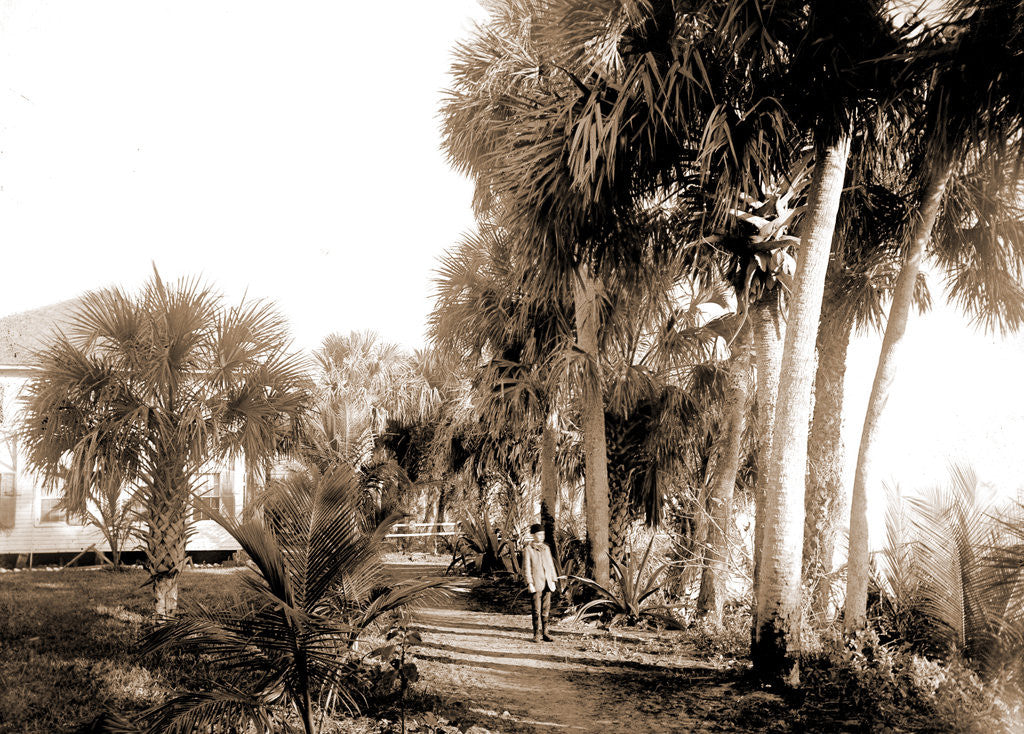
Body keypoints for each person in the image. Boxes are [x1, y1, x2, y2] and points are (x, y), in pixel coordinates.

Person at [522, 522, 558, 643]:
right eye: (539, 534)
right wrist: (529, 583)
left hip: (548, 582)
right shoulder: (528, 550)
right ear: (533, 535)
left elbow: (551, 565)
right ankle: (536, 633)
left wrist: (554, 579)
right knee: (536, 610)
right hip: (536, 583)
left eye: (543, 534)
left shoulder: (546, 548)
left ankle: (546, 633)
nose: (541, 536)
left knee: (546, 609)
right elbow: (526, 568)